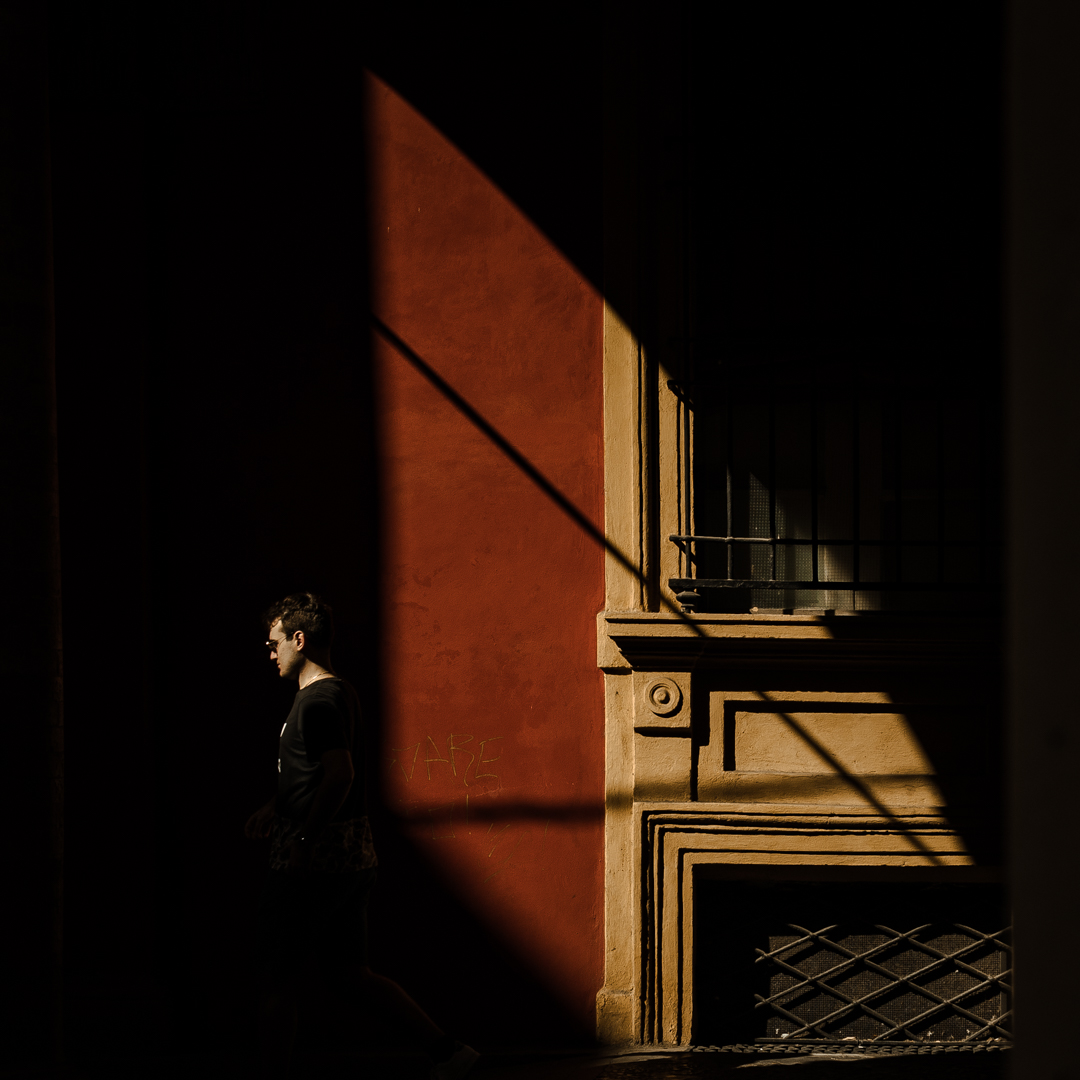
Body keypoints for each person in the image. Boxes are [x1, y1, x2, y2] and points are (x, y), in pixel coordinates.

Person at [245, 592, 478, 1080]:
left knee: (275, 976)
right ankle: (448, 1053)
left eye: (274, 643)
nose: (270, 653)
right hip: (350, 860)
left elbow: (339, 774)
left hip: (313, 863)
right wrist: (277, 804)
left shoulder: (317, 701)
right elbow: (315, 772)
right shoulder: (340, 692)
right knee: (350, 973)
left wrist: (303, 840)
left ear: (298, 639)